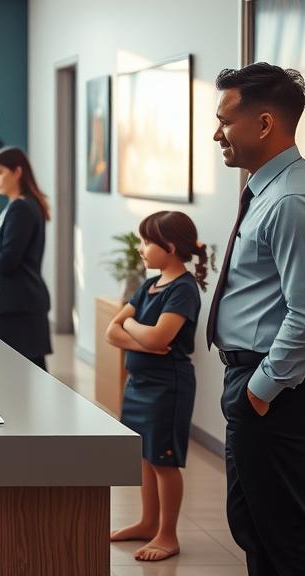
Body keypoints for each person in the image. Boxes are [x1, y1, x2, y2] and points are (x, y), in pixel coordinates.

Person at [210, 63, 305, 575]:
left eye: (225, 120)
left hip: (282, 382)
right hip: (263, 377)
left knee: (286, 538)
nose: (216, 132)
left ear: (265, 124)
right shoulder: (270, 189)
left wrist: (262, 388)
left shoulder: (292, 199)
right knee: (255, 527)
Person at [106, 211, 208, 563]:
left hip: (168, 388)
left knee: (164, 461)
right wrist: (140, 336)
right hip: (140, 384)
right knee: (145, 458)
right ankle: (148, 523)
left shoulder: (183, 289)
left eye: (147, 242)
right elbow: (112, 332)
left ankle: (167, 534)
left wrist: (132, 326)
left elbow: (160, 336)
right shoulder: (150, 284)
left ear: (169, 246)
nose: (141, 249)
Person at [0, 147, 52, 369]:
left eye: (0, 172)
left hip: (16, 307)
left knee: (16, 376)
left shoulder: (21, 208)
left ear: (17, 172)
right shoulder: (20, 206)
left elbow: (7, 261)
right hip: (16, 304)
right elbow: (12, 249)